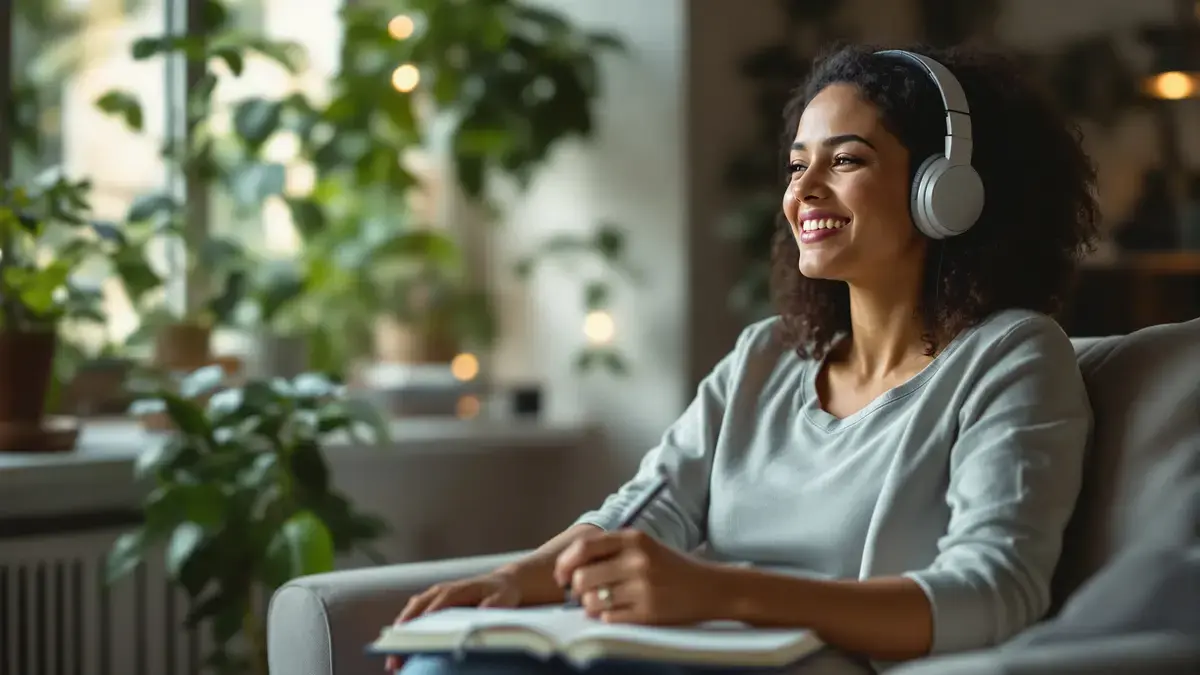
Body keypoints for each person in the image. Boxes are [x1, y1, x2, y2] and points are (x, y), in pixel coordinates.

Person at [389, 42, 1100, 674]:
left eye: (846, 159)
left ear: (945, 191)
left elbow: (995, 591)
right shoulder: (767, 354)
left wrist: (722, 591)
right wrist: (513, 580)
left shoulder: (1012, 356)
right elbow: (648, 506)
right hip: (692, 650)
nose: (804, 192)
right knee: (444, 664)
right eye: (797, 166)